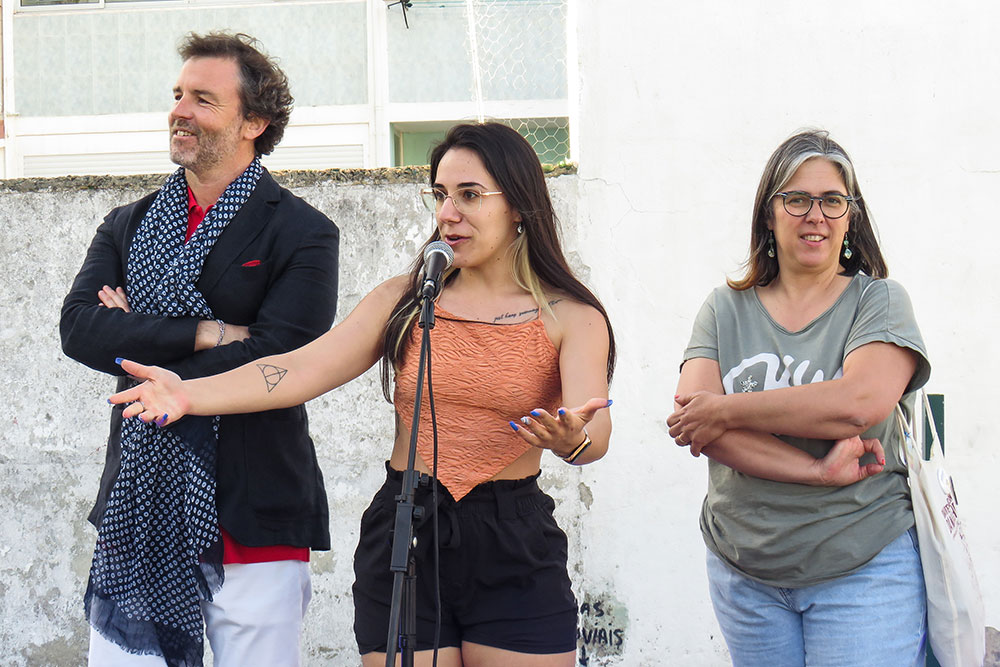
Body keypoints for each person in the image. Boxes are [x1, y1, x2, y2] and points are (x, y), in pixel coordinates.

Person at [108, 122, 615, 666]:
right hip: (406, 529)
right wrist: (188, 394)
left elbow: (595, 433)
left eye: (470, 195)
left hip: (513, 538)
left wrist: (572, 438)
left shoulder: (572, 316)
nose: (448, 213)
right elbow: (300, 368)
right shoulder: (407, 299)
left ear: (518, 205)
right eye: (440, 194)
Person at [60, 32, 340, 666]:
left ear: (254, 122)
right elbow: (79, 329)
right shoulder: (127, 224)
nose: (179, 111)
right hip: (139, 515)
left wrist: (138, 330)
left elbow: (282, 356)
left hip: (253, 516)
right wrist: (206, 331)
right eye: (178, 94)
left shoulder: (302, 231)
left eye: (203, 99)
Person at [666, 130, 930, 666]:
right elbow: (699, 429)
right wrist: (815, 472)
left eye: (833, 200)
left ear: (851, 216)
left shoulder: (878, 302)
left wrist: (727, 409)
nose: (816, 215)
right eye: (797, 199)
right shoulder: (724, 308)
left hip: (862, 567)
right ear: (769, 214)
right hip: (744, 575)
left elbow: (857, 404)